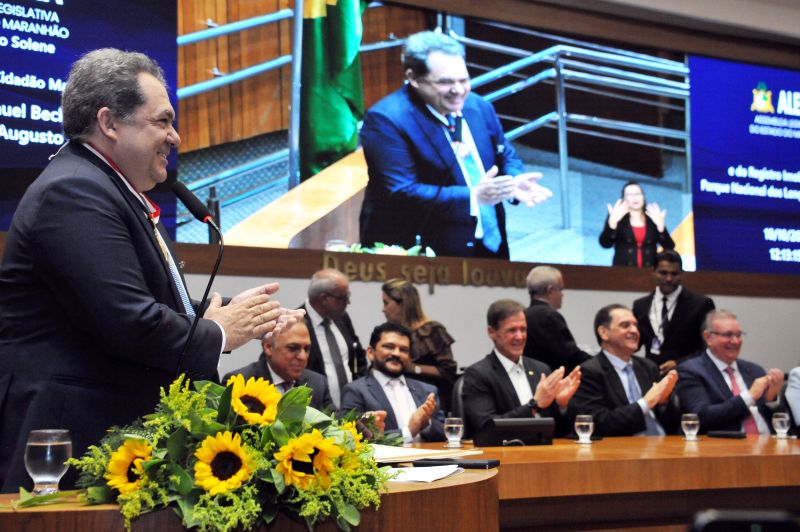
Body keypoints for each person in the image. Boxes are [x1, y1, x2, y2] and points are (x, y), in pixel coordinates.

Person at [0, 49, 302, 492]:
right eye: (162, 121)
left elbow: (134, 305)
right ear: (109, 123)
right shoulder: (75, 191)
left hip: (103, 437)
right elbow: (131, 321)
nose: (176, 137)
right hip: (70, 443)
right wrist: (219, 331)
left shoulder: (102, 187)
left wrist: (239, 317)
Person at [359, 30, 552, 259]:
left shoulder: (478, 106)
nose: (459, 91)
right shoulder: (387, 120)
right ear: (413, 78)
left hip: (489, 239)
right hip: (426, 249)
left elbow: (504, 152)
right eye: (445, 82)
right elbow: (401, 192)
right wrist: (474, 196)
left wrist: (513, 180)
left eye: (464, 80)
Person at [461, 299, 581, 439]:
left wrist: (562, 405)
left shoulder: (541, 369)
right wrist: (534, 405)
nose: (520, 336)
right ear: (492, 332)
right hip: (503, 456)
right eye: (512, 330)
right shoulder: (478, 374)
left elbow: (561, 432)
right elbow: (487, 428)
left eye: (523, 329)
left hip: (544, 454)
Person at [572, 304, 680, 436]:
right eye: (625, 325)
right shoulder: (590, 371)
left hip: (663, 444)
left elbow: (672, 423)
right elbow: (597, 422)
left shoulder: (648, 366)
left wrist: (664, 402)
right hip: (622, 449)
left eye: (635, 325)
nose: (635, 331)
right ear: (604, 333)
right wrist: (645, 403)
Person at [676, 310, 784, 434]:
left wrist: (771, 398)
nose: (735, 341)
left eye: (738, 335)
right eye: (728, 335)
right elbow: (701, 417)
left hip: (769, 444)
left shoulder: (754, 370)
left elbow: (781, 420)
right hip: (724, 446)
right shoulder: (691, 371)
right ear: (708, 337)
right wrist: (749, 396)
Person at [340, 323, 445, 442]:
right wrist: (409, 431)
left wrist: (426, 424)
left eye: (404, 350)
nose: (396, 353)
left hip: (430, 458)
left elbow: (447, 432)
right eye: (389, 346)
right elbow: (352, 439)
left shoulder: (427, 390)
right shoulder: (356, 391)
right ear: (370, 352)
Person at [632, 250, 715, 374]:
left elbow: (709, 346)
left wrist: (679, 363)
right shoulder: (640, 305)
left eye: (674, 274)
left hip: (689, 375)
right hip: (651, 375)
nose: (669, 278)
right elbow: (634, 344)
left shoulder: (701, 304)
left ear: (682, 274)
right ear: (653, 272)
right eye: (663, 273)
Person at [381, 278, 457, 412]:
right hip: (399, 403)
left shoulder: (432, 331)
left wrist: (413, 368)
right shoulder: (389, 334)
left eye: (386, 303)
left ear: (402, 304)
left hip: (432, 404)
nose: (383, 309)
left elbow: (448, 371)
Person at [222, 321, 334, 411]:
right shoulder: (238, 382)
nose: (303, 357)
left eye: (307, 349)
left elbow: (336, 427)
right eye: (293, 348)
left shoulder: (318, 384)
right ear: (268, 348)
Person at [300, 269, 367, 408]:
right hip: (316, 411)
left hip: (352, 409)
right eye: (343, 297)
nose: (348, 302)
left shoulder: (342, 318)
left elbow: (358, 356)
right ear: (324, 298)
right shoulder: (295, 323)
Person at [523, 266, 591, 373]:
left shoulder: (524, 315)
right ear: (550, 291)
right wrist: (600, 364)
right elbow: (570, 356)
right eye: (561, 289)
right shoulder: (549, 316)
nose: (562, 294)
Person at [599, 180, 674, 267]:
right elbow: (605, 244)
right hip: (623, 272)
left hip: (650, 272)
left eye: (638, 194)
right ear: (624, 198)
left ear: (643, 197)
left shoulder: (652, 217)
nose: (635, 198)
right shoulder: (616, 215)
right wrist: (612, 224)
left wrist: (661, 228)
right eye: (630, 195)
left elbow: (670, 247)